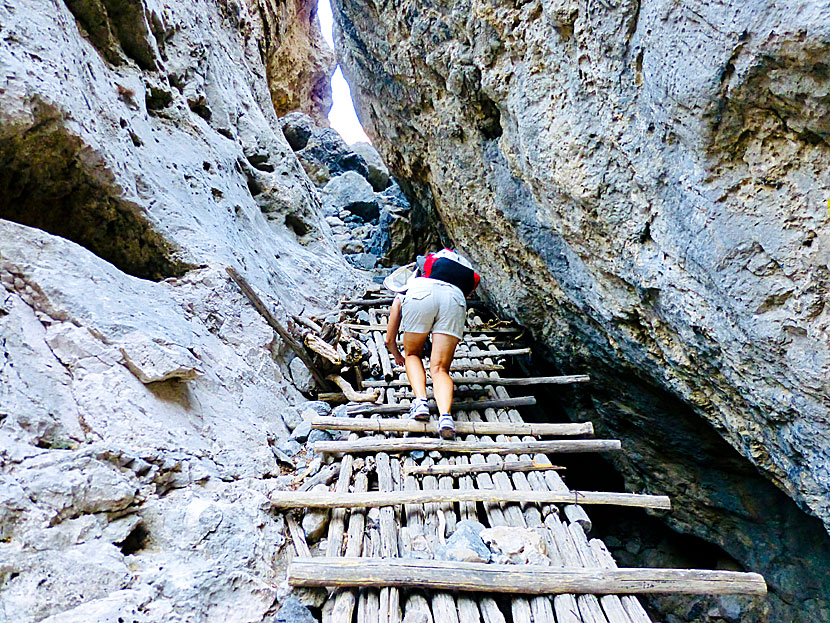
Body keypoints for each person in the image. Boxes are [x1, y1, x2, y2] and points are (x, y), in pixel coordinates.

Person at [384, 249, 480, 439]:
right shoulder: (458, 284)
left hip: (421, 297)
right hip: (455, 299)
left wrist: (397, 354)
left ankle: (420, 402)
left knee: (413, 354)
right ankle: (445, 417)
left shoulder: (412, 285)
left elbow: (389, 339)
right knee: (440, 369)